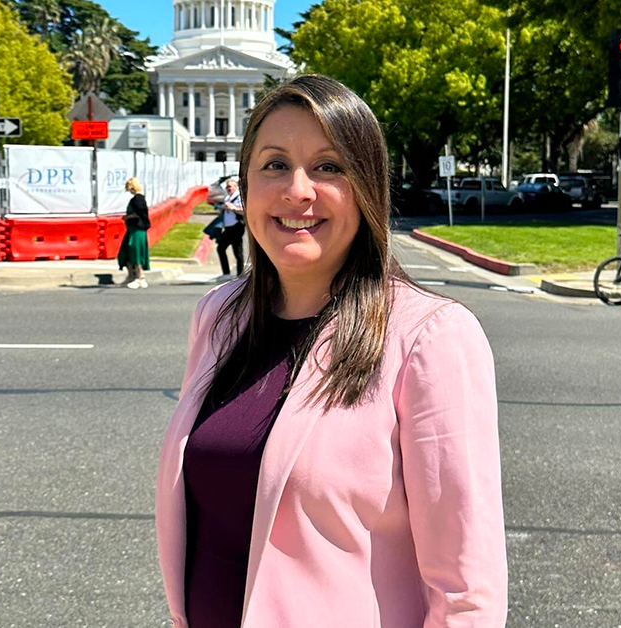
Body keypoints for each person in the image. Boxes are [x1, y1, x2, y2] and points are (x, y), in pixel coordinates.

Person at [155, 75, 507, 628]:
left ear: (367, 187)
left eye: (329, 166)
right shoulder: (219, 316)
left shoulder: (429, 338)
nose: (298, 190)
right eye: (274, 164)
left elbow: (467, 591)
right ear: (244, 185)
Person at [119, 177, 151, 289]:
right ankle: (132, 275)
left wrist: (128, 217)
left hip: (137, 229)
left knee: (136, 253)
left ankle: (140, 276)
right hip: (133, 229)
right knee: (127, 252)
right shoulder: (138, 199)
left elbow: (140, 214)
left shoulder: (138, 199)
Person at [215, 178, 245, 281]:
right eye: (227, 187)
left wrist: (233, 208)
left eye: (230, 186)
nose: (228, 189)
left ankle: (238, 275)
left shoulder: (239, 197)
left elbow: (244, 211)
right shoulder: (227, 197)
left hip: (237, 226)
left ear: (235, 187)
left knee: (236, 250)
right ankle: (228, 273)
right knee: (224, 248)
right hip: (228, 227)